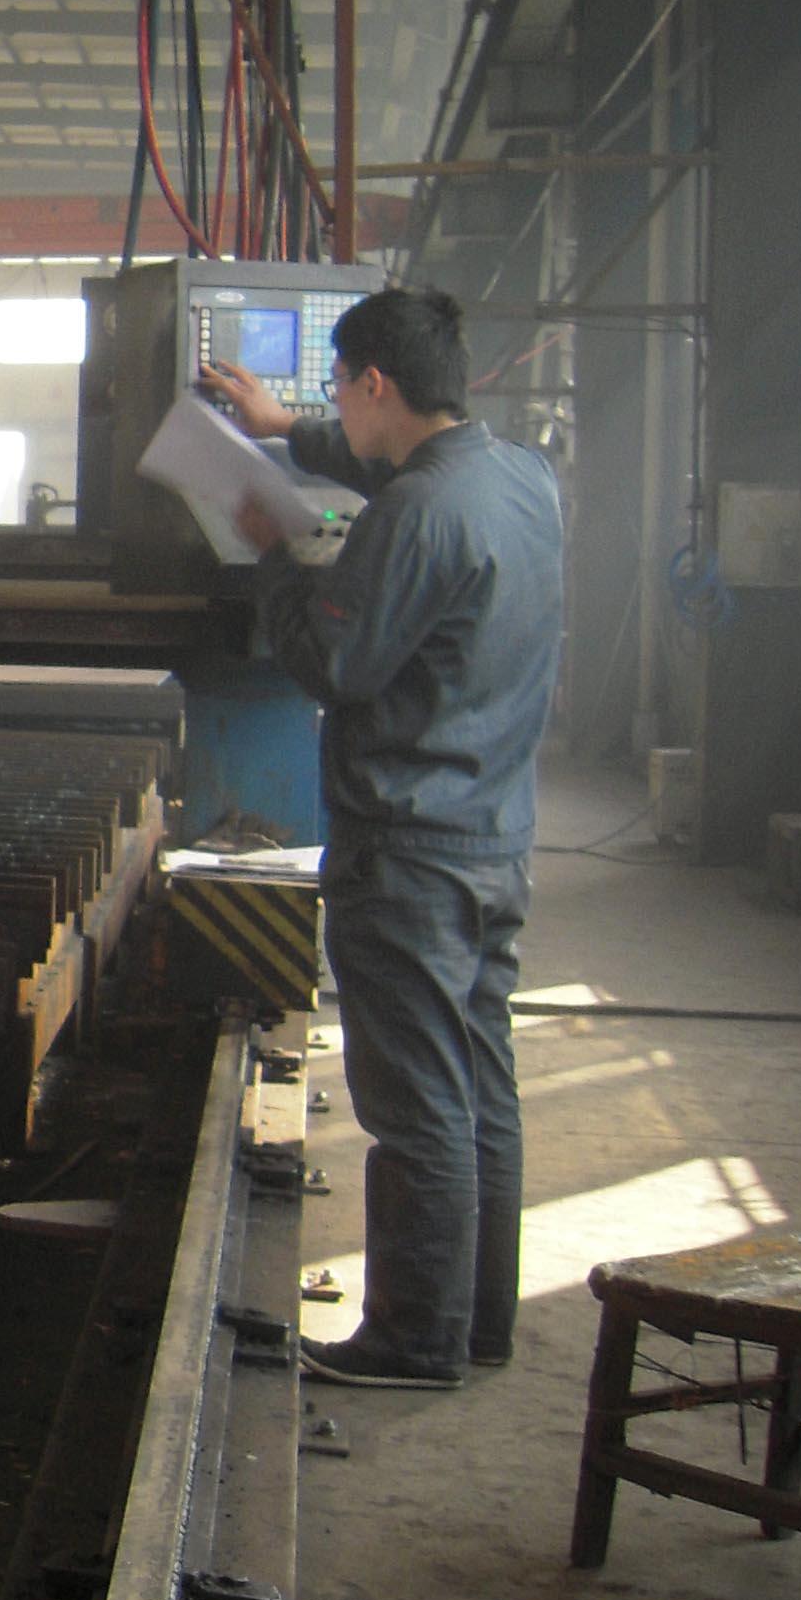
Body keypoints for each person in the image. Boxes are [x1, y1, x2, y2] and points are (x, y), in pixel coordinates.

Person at [200, 288, 565, 1392]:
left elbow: (333, 664)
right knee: (478, 1086)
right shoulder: (519, 477)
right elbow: (390, 472)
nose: (332, 406)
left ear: (373, 383)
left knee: (416, 1106)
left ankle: (413, 1340)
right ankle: (475, 1323)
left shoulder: (416, 515)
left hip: (410, 849)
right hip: (493, 837)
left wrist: (274, 551)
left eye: (335, 390)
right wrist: (283, 433)